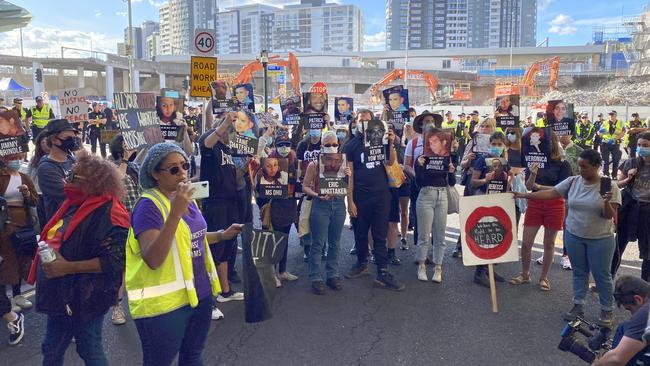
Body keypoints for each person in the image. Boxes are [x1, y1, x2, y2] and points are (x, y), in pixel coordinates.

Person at [126, 142, 242, 365]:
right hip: (165, 307)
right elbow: (153, 258)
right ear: (155, 174)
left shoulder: (184, 199)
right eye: (173, 169)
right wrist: (175, 213)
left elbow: (189, 237)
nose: (182, 173)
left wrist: (221, 235)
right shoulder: (148, 206)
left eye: (185, 165)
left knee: (192, 357)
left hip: (199, 295)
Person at [32, 152, 130, 365]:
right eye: (69, 173)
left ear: (93, 183)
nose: (65, 180)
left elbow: (115, 261)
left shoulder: (112, 214)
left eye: (73, 176)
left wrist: (66, 268)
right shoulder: (73, 203)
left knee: (89, 349)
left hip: (87, 297)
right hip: (62, 294)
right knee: (51, 349)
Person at [516, 149, 620, 326]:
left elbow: (609, 215)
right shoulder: (573, 182)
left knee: (601, 275)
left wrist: (605, 201)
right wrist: (525, 195)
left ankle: (606, 309)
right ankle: (578, 305)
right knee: (579, 272)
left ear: (596, 166)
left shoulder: (610, 186)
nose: (580, 170)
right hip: (574, 235)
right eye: (579, 166)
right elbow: (551, 193)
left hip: (601, 238)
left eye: (584, 167)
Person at [343, 109, 405, 291]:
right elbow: (350, 175)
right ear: (356, 122)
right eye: (361, 120)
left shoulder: (382, 140)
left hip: (381, 195)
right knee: (360, 233)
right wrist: (350, 200)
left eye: (368, 120)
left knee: (380, 233)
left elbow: (389, 162)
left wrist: (391, 142)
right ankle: (361, 264)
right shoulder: (351, 145)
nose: (364, 123)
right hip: (360, 196)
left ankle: (383, 272)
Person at [510, 128, 572, 292]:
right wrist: (533, 174)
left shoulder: (563, 163)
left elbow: (562, 188)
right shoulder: (534, 160)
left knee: (549, 244)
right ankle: (525, 273)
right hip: (535, 202)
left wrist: (539, 187)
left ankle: (544, 277)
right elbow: (529, 187)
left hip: (555, 204)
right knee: (526, 243)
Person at [198, 113, 244, 320]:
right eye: (228, 130)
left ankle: (225, 292)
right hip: (215, 204)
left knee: (227, 249)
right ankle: (210, 301)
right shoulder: (211, 146)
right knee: (214, 252)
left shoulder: (228, 149)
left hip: (230, 202)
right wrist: (224, 124)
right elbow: (206, 144)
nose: (230, 134)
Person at [302, 131, 348, 294]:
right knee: (318, 243)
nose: (331, 147)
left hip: (339, 204)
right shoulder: (314, 164)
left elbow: (348, 186)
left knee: (335, 242)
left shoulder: (344, 163)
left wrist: (348, 176)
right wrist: (317, 195)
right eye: (328, 145)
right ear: (321, 146)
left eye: (334, 144)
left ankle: (332, 275)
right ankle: (316, 277)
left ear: (339, 145)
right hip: (320, 205)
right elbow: (305, 186)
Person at [414, 124, 455, 282]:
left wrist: (451, 171)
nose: (432, 145)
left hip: (442, 195)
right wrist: (420, 166)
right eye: (430, 142)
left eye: (435, 141)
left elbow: (451, 182)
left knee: (440, 236)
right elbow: (419, 182)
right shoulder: (423, 158)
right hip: (426, 194)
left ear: (443, 141)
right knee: (424, 235)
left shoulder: (447, 157)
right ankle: (422, 266)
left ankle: (438, 268)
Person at [470, 131, 511, 286]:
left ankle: (489, 269)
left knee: (495, 235)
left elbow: (506, 183)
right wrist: (484, 180)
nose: (496, 147)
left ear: (504, 146)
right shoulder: (482, 160)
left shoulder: (505, 162)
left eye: (499, 144)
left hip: (498, 200)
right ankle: (479, 273)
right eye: (493, 144)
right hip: (483, 198)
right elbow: (473, 182)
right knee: (484, 234)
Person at [0, 154, 38, 311]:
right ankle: (6, 300)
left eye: (18, 158)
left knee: (21, 256)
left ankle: (17, 294)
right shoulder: (1, 176)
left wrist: (27, 194)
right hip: (5, 223)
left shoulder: (24, 177)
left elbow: (35, 200)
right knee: (8, 258)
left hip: (24, 222)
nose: (16, 161)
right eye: (12, 158)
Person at [613, 131, 650, 281]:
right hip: (630, 208)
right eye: (639, 145)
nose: (641, 148)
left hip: (647, 212)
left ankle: (645, 287)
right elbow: (616, 185)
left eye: (646, 145)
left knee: (648, 252)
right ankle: (607, 280)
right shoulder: (631, 163)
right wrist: (628, 178)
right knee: (618, 246)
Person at [265, 132, 299, 287]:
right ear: (275, 146)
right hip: (275, 206)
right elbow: (261, 186)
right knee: (275, 240)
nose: (284, 148)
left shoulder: (294, 160)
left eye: (287, 145)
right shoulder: (269, 162)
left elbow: (298, 181)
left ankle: (282, 271)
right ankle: (272, 274)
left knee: (284, 238)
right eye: (280, 145)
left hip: (290, 204)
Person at [592, 276, 650, 366]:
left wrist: (597, 364)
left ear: (638, 299)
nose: (632, 315)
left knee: (624, 329)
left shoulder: (646, 313)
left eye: (630, 309)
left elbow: (616, 359)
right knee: (625, 327)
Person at [37, 119, 80, 223]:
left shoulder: (72, 160)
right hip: (60, 226)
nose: (72, 141)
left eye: (74, 138)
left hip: (77, 221)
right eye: (68, 138)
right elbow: (68, 196)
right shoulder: (46, 168)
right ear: (54, 140)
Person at [296, 128, 322, 261]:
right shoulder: (302, 145)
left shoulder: (325, 143)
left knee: (321, 220)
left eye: (318, 128)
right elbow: (298, 166)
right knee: (305, 219)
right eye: (313, 128)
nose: (315, 130)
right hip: (305, 185)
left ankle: (322, 248)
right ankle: (307, 248)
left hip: (321, 187)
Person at [599, 110, 626, 178]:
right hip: (605, 143)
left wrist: (614, 139)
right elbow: (599, 133)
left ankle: (614, 175)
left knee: (615, 159)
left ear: (616, 115)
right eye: (610, 114)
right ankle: (606, 174)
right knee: (605, 160)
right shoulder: (605, 123)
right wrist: (599, 132)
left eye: (612, 114)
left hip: (615, 143)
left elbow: (623, 133)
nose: (611, 116)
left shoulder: (620, 122)